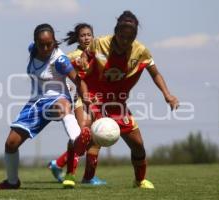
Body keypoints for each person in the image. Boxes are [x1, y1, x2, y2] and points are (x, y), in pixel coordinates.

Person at [62, 10, 179, 189]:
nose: (125, 42)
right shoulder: (99, 43)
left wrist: (168, 95)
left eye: (129, 38)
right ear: (115, 32)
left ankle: (139, 181)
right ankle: (70, 174)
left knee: (138, 145)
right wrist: (85, 93)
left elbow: (155, 74)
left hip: (117, 103)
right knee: (83, 129)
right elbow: (82, 73)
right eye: (122, 37)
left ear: (135, 37)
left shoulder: (141, 51)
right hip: (93, 97)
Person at [0, 23, 91, 190]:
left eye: (49, 44)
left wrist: (86, 97)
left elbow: (78, 81)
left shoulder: (59, 60)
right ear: (35, 42)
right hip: (36, 103)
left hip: (57, 99)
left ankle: (78, 140)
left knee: (63, 106)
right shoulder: (32, 49)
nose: (46, 48)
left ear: (54, 41)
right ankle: (12, 181)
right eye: (41, 44)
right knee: (10, 144)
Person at [48, 23, 106, 185]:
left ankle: (81, 173)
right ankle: (71, 173)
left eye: (89, 34)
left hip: (98, 99)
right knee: (83, 135)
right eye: (82, 35)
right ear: (77, 38)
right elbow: (60, 72)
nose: (86, 38)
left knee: (96, 138)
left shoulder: (99, 54)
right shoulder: (73, 56)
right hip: (81, 99)